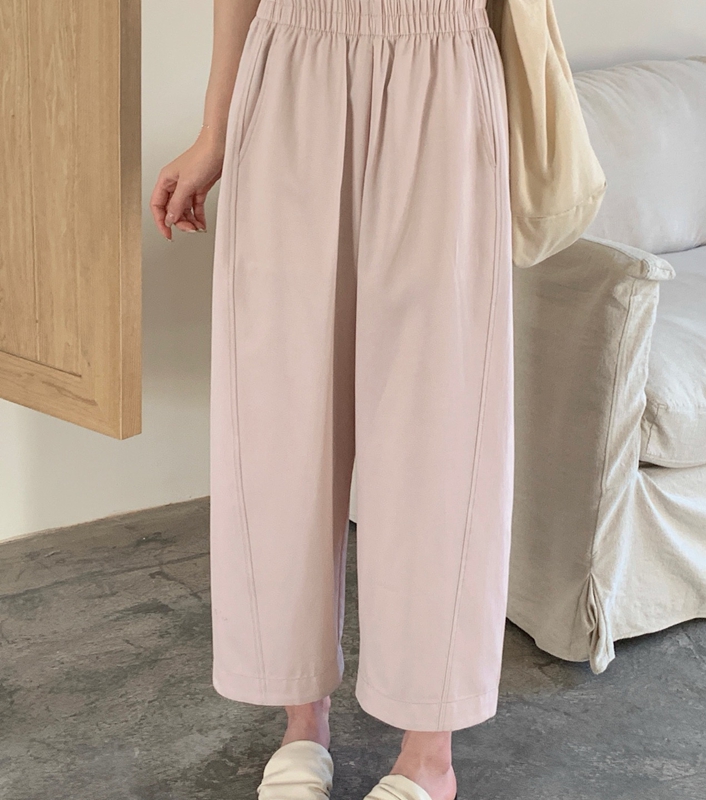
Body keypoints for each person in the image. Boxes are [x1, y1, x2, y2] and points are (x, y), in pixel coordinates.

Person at [149, 0, 513, 797]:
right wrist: (216, 129)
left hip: (442, 62)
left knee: (436, 417)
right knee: (281, 411)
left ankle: (430, 752)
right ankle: (301, 720)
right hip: (287, 63)